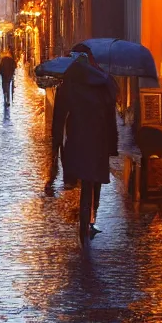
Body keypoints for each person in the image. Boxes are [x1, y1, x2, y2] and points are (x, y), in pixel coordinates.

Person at [46, 50, 118, 244]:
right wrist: (113, 144)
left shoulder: (68, 86)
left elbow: (58, 119)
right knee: (93, 182)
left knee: (86, 180)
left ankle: (87, 220)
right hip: (98, 140)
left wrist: (56, 145)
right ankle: (91, 218)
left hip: (78, 140)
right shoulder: (103, 85)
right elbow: (110, 117)